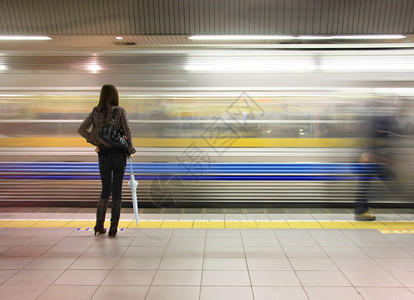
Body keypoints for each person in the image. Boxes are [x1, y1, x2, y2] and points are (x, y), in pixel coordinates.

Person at [78, 84, 136, 237]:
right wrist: (130, 150)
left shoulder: (96, 111)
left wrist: (96, 142)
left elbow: (81, 129)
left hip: (103, 155)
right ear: (115, 95)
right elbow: (127, 132)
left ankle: (98, 226)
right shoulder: (120, 111)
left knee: (105, 190)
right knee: (117, 191)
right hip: (118, 155)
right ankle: (113, 228)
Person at [354, 103, 398, 221]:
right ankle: (361, 211)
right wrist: (368, 153)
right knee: (393, 182)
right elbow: (373, 136)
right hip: (372, 157)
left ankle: (361, 210)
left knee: (367, 182)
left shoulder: (379, 116)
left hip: (374, 157)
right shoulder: (380, 117)